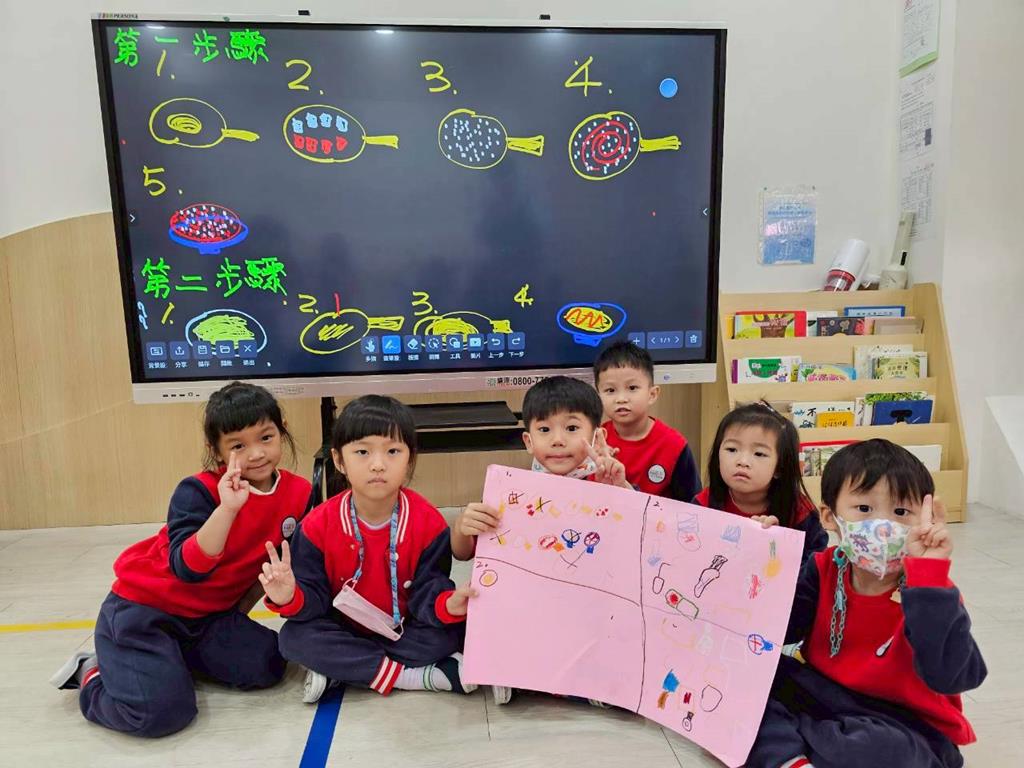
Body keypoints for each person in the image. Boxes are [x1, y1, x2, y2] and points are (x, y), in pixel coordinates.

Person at [50, 382, 311, 737]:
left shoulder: (299, 493)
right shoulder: (198, 490)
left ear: (282, 431)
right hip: (145, 611)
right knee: (162, 715)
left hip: (206, 619)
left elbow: (265, 569)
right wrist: (227, 509)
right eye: (238, 445)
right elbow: (188, 568)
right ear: (217, 450)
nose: (256, 454)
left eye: (266, 437)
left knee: (267, 664)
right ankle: (92, 675)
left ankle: (166, 661)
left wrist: (235, 621)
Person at [747, 439, 987, 768]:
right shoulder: (823, 568)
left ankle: (796, 742)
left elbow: (954, 678)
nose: (883, 526)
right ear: (829, 516)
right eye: (863, 509)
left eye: (901, 512)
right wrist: (768, 561)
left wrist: (928, 578)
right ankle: (796, 756)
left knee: (881, 749)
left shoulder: (932, 590)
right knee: (753, 676)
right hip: (825, 694)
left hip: (907, 723)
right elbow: (779, 632)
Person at [265, 395, 475, 703]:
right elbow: (314, 601)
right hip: (341, 628)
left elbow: (429, 590)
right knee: (294, 638)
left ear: (410, 458)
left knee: (450, 633)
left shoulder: (428, 522)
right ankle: (411, 677)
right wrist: (289, 596)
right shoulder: (316, 525)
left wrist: (448, 604)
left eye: (393, 451)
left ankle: (344, 669)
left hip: (403, 628)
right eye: (362, 452)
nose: (378, 464)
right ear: (339, 460)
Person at [452, 375, 629, 706]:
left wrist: (622, 492)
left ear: (597, 436)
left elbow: (638, 544)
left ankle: (582, 681)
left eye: (572, 428)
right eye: (545, 430)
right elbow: (463, 554)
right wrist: (463, 526)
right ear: (528, 440)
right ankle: (511, 671)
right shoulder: (510, 495)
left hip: (586, 609)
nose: (558, 440)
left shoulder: (608, 486)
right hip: (534, 611)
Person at [693, 402, 827, 564]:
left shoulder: (800, 512)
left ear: (780, 467)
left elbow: (816, 567)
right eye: (732, 449)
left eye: (759, 454)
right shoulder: (703, 505)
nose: (742, 461)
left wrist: (777, 544)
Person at [594, 341, 701, 501]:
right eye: (610, 390)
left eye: (632, 388)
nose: (621, 399)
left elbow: (692, 503)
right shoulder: (596, 441)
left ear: (652, 394)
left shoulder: (675, 445)